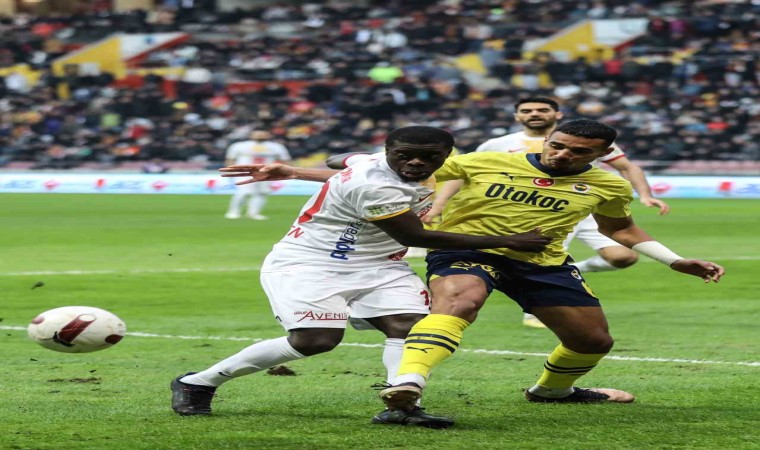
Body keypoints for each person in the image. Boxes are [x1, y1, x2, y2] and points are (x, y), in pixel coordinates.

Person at [171, 126, 551, 428]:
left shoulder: (372, 162)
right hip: (311, 263)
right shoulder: (374, 184)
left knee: (410, 326)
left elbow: (339, 159)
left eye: (429, 157)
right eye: (405, 155)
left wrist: (295, 171)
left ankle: (402, 404)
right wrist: (508, 240)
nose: (417, 163)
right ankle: (198, 382)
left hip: (380, 264)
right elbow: (417, 237)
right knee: (316, 340)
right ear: (388, 152)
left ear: (446, 156)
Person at [377, 119, 724, 422]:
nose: (562, 154)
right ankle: (409, 382)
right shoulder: (485, 161)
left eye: (579, 151)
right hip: (469, 249)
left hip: (541, 261)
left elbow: (620, 229)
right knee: (459, 301)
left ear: (602, 154)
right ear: (547, 139)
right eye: (557, 145)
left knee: (592, 341)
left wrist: (674, 260)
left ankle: (553, 391)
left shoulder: (609, 185)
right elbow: (397, 169)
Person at [425, 97, 671, 328]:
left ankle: (568, 276)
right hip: (532, 211)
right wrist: (439, 204)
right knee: (538, 255)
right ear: (517, 116)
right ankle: (535, 308)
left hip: (583, 207)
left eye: (542, 110)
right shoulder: (496, 145)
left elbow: (628, 167)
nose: (534, 114)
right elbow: (465, 173)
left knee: (623, 257)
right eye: (527, 111)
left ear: (557, 114)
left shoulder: (594, 139)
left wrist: (645, 194)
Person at [224, 130, 292, 220]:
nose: (260, 135)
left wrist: (284, 171)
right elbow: (230, 159)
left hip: (266, 172)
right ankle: (233, 212)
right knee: (243, 192)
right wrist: (231, 170)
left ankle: (254, 213)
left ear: (268, 135)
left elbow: (285, 159)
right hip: (245, 172)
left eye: (262, 133)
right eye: (257, 133)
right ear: (251, 135)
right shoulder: (240, 145)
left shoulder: (276, 147)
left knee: (261, 193)